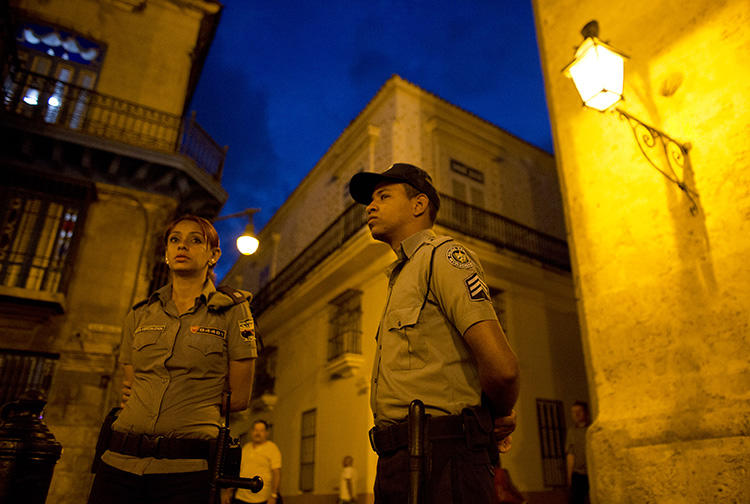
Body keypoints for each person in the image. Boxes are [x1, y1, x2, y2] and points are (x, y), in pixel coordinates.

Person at [349, 163, 520, 503]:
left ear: (419, 205)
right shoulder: (402, 276)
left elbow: (502, 369)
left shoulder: (444, 258)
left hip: (444, 460)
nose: (370, 206)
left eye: (384, 196)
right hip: (398, 461)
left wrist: (497, 415)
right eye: (371, 199)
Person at [88, 215, 258, 504]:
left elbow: (239, 397)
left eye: (195, 240)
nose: (183, 246)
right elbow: (130, 387)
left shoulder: (232, 311)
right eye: (175, 240)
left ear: (213, 255)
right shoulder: (139, 314)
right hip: (118, 464)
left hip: (185, 472)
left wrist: (186, 400)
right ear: (166, 252)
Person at [229, 420, 282, 504]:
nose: (258, 433)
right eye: (255, 430)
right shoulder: (246, 448)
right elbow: (237, 471)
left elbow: (276, 473)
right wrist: (229, 492)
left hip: (262, 499)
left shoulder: (272, 448)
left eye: (261, 430)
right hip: (241, 497)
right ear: (251, 432)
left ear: (266, 433)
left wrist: (273, 495)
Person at [566, 401, 590, 504]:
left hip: (591, 473)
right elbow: (570, 455)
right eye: (573, 412)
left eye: (579, 411)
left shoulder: (591, 430)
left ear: (586, 413)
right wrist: (570, 477)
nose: (576, 414)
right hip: (578, 474)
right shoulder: (571, 432)